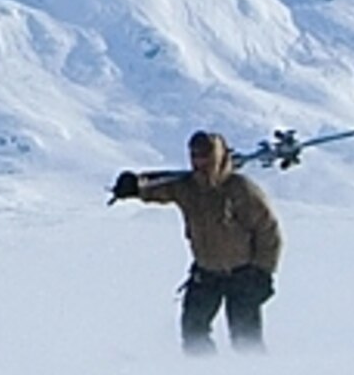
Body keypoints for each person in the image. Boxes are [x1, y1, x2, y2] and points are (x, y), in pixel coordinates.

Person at [112, 130, 282, 353]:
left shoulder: (240, 189)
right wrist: (136, 186)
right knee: (193, 330)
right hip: (206, 273)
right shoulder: (188, 187)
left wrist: (263, 271)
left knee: (245, 338)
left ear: (219, 156)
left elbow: (268, 231)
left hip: (244, 275)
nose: (198, 161)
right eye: (194, 155)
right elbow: (161, 185)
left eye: (205, 156)